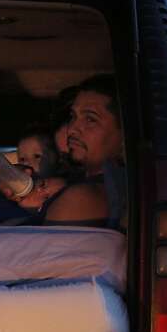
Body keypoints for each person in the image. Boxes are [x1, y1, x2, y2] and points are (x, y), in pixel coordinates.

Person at [43, 74, 125, 228]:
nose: (72, 128)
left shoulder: (82, 199)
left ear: (124, 136)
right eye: (73, 116)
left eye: (90, 119)